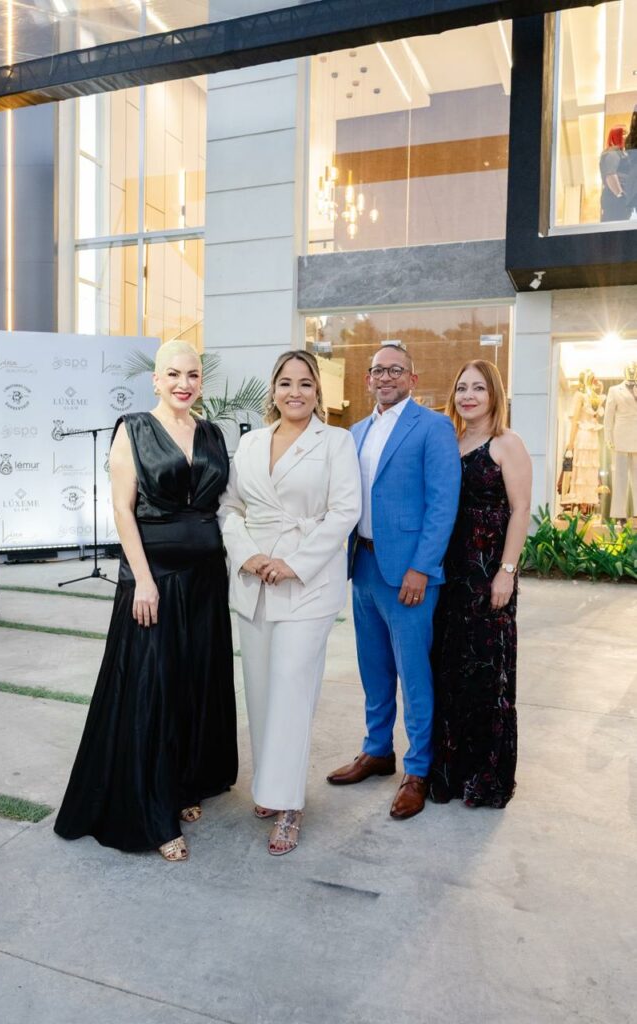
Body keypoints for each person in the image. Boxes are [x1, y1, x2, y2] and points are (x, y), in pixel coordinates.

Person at [54, 341, 238, 861]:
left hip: (206, 579)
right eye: (173, 374)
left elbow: (222, 504)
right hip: (155, 579)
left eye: (192, 374)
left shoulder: (212, 433)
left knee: (194, 684)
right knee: (152, 691)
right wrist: (143, 580)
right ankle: (152, 814)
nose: (184, 383)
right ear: (156, 380)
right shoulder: (133, 429)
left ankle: (183, 784)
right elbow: (122, 509)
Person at [220, 350, 361, 856]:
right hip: (255, 582)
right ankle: (268, 785)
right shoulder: (250, 443)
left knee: (291, 689)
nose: (294, 392)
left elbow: (345, 511)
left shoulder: (336, 442)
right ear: (273, 390)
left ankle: (288, 805)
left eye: (305, 383)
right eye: (285, 382)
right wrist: (249, 555)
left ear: (318, 391)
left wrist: (294, 563)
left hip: (307, 584)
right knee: (260, 690)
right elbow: (228, 507)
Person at [327, 343, 461, 821]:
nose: (386, 377)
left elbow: (443, 503)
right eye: (378, 371)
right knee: (374, 669)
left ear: (412, 378)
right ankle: (377, 750)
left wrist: (422, 567)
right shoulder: (355, 432)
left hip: (408, 574)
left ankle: (418, 769)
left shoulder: (433, 427)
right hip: (363, 566)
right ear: (368, 379)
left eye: (395, 370)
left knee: (413, 674)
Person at [429, 359, 531, 809]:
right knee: (448, 670)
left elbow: (521, 510)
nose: (467, 396)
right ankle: (448, 772)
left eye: (478, 388)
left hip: (489, 576)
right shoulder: (448, 442)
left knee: (486, 676)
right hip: (448, 575)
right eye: (461, 388)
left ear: (494, 395)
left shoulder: (507, 443)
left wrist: (506, 571)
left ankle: (484, 777)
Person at [599, 126, 628, 222]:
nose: (626, 136)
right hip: (615, 200)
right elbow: (610, 174)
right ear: (615, 136)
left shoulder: (621, 153)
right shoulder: (612, 152)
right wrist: (620, 196)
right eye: (623, 133)